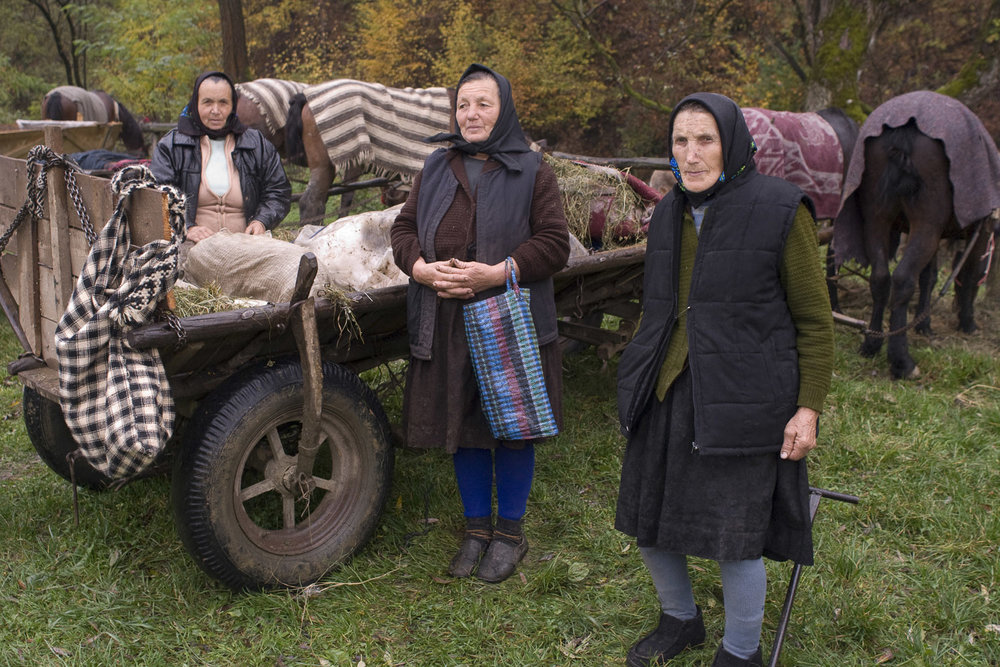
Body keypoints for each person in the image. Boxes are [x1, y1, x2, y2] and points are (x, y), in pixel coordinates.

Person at [615, 93, 834, 667]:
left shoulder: (782, 209)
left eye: (705, 139)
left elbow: (814, 321)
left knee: (735, 537)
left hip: (744, 399)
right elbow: (659, 307)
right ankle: (680, 619)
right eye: (680, 142)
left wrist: (807, 408)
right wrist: (636, 374)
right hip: (667, 391)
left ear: (732, 142)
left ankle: (742, 652)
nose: (690, 155)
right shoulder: (666, 212)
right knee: (651, 520)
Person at [390, 64, 570, 583]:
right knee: (463, 424)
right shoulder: (436, 166)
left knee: (512, 427)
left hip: (508, 318)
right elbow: (403, 229)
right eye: (464, 104)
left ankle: (509, 534)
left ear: (504, 109)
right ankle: (474, 530)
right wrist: (421, 267)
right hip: (446, 317)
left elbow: (555, 243)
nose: (472, 114)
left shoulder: (532, 170)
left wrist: (498, 272)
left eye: (484, 104)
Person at [150, 71, 290, 258]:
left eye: (223, 103)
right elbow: (159, 196)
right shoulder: (172, 146)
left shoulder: (256, 143)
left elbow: (278, 191)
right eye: (207, 102)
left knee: (291, 259)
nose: (215, 110)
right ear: (195, 104)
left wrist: (261, 221)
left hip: (247, 246)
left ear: (233, 106)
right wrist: (187, 227)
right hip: (192, 249)